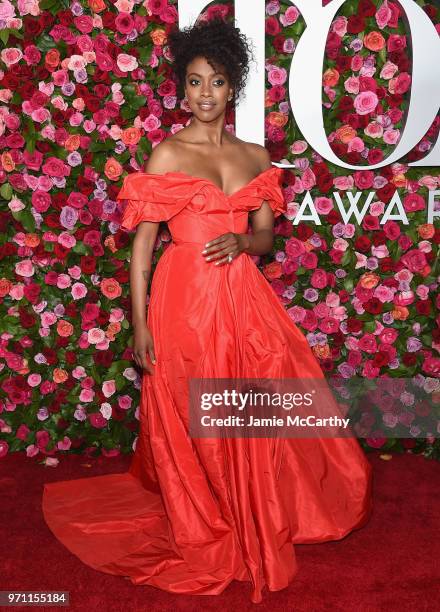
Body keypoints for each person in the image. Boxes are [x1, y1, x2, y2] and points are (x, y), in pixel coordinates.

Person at [42, 18, 373, 604]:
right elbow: (143, 245)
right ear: (182, 88)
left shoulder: (254, 154)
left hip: (243, 299)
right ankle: (210, 518)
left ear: (231, 87)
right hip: (182, 302)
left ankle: (252, 510)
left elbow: (266, 236)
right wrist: (141, 325)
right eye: (193, 83)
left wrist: (244, 242)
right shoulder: (168, 152)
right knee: (195, 412)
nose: (203, 95)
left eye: (215, 83)